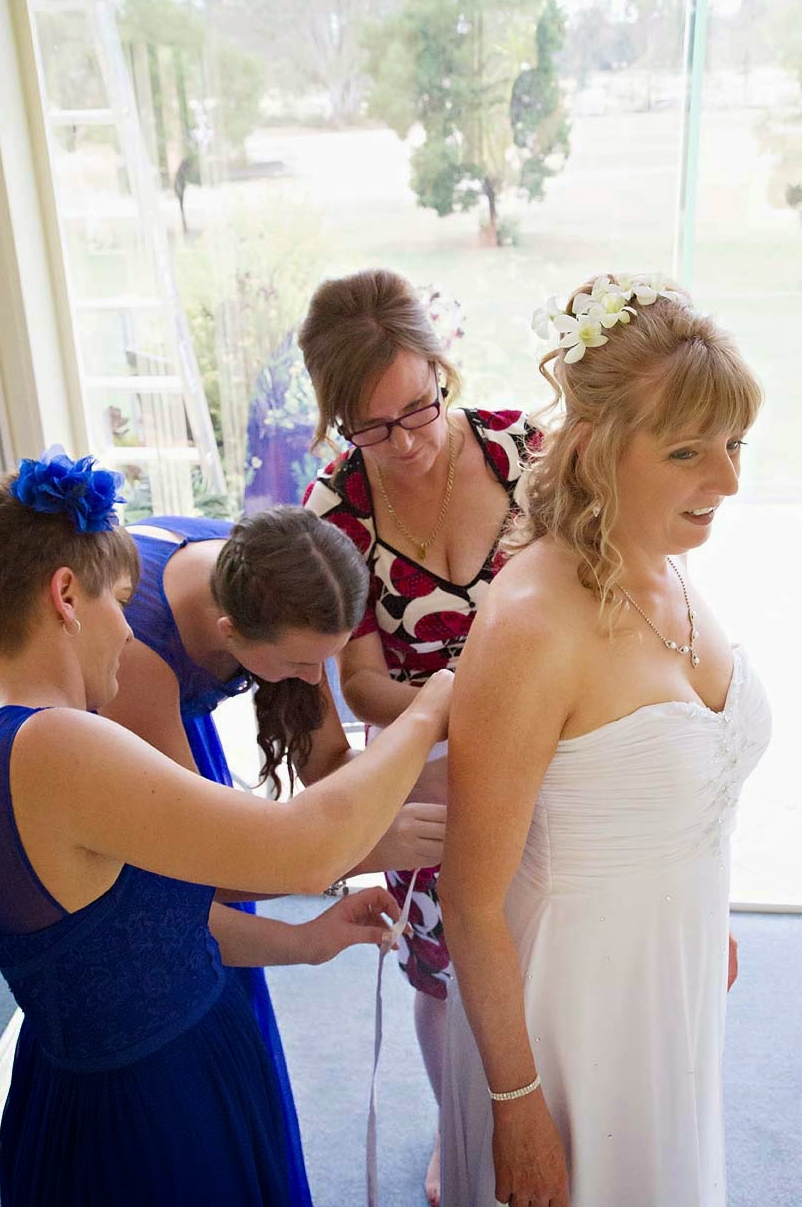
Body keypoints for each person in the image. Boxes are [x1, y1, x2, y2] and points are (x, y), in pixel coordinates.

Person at [0, 449, 452, 1207]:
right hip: (148, 1109)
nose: (128, 631)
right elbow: (300, 852)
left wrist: (304, 941)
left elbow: (150, 924)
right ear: (65, 596)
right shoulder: (58, 745)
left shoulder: (12, 741)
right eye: (119, 602)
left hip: (147, 1070)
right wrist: (430, 709)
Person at [437, 273, 771, 1207]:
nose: (727, 481)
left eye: (734, 444)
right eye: (687, 451)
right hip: (569, 1004)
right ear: (593, 445)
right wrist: (517, 1106)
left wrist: (706, 913)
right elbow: (469, 901)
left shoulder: (659, 557)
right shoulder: (531, 625)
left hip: (666, 969)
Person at [96, 505, 450, 1206]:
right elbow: (194, 871)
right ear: (231, 633)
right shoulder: (135, 654)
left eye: (327, 658)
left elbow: (330, 768)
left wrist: (442, 777)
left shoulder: (280, 582)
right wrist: (360, 847)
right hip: (117, 742)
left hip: (173, 729)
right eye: (299, 664)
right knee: (180, 966)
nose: (317, 678)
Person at [300, 267, 541, 1205]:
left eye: (417, 408)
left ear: (444, 369)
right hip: (425, 774)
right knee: (439, 979)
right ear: (336, 419)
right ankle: (455, 1127)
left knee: (540, 956)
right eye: (369, 427)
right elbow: (360, 683)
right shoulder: (333, 511)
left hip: (548, 762)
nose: (403, 443)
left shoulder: (524, 453)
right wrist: (464, 702)